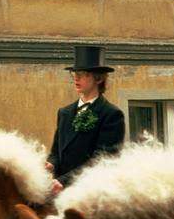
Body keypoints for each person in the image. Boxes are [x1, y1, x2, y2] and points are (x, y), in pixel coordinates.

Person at [46, 45, 125, 194]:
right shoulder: (64, 112)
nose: (76, 77)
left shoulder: (111, 114)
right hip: (59, 189)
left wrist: (64, 181)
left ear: (99, 78)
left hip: (90, 192)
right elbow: (56, 152)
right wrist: (50, 164)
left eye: (84, 74)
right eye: (74, 73)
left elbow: (101, 161)